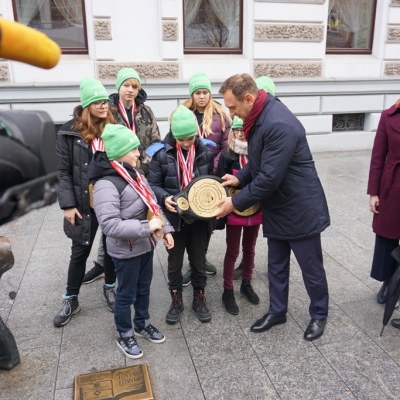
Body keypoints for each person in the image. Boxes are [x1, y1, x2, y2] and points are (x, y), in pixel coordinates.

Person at [216, 73, 330, 341]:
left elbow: (268, 178)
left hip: (300, 208)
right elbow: (259, 164)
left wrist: (234, 202)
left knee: (311, 268)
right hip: (279, 206)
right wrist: (240, 178)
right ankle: (277, 311)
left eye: (232, 107)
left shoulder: (278, 123)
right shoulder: (259, 116)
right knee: (276, 265)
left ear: (248, 98)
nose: (231, 113)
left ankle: (319, 314)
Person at [89, 123, 174, 359]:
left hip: (145, 246)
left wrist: (165, 229)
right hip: (125, 251)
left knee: (144, 288)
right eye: (134, 149)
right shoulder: (106, 184)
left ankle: (142, 322)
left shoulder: (136, 174)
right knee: (125, 294)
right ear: (119, 152)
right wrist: (149, 227)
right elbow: (110, 225)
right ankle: (124, 333)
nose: (139, 153)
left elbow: (152, 206)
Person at [83, 67, 162, 284]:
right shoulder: (109, 112)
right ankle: (103, 264)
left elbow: (156, 141)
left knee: (135, 214)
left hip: (140, 171)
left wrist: (144, 165)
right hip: (116, 171)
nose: (130, 90)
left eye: (135, 86)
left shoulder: (146, 111)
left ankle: (135, 259)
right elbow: (103, 143)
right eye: (126, 85)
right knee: (113, 220)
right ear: (119, 87)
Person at [54, 77, 117, 327]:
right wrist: (67, 204)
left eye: (105, 101)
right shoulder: (68, 132)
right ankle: (71, 298)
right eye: (98, 102)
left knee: (112, 244)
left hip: (111, 199)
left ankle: (110, 287)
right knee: (80, 250)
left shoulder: (114, 126)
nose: (104, 106)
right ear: (87, 105)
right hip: (82, 202)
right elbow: (62, 172)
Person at [147, 105, 214, 324]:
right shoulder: (160, 154)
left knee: (198, 259)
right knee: (174, 262)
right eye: (182, 140)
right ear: (174, 135)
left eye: (191, 138)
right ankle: (176, 298)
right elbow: (152, 184)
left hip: (199, 218)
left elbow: (210, 182)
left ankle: (199, 297)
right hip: (174, 218)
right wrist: (164, 196)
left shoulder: (206, 151)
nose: (187, 143)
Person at [180, 71, 231, 285]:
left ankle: (200, 260)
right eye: (198, 92)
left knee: (208, 221)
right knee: (189, 220)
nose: (202, 96)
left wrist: (213, 168)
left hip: (212, 176)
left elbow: (225, 146)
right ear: (192, 95)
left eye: (205, 92)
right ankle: (193, 263)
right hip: (187, 175)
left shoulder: (221, 115)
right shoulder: (183, 113)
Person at [233, 75, 277, 281]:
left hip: (267, 198)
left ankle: (270, 265)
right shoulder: (250, 130)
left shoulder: (273, 126)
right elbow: (254, 165)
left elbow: (268, 174)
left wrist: (235, 201)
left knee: (269, 237)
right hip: (249, 197)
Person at [216, 116, 261, 314]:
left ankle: (246, 283)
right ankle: (228, 290)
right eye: (237, 130)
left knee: (250, 248)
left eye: (244, 129)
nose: (241, 133)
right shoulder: (227, 155)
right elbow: (220, 183)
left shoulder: (257, 152)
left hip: (255, 206)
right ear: (232, 131)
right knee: (232, 250)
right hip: (233, 208)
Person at [367, 100, 400, 307]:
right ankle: (388, 281)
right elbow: (378, 156)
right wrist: (374, 193)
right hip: (393, 185)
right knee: (387, 236)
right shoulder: (388, 116)